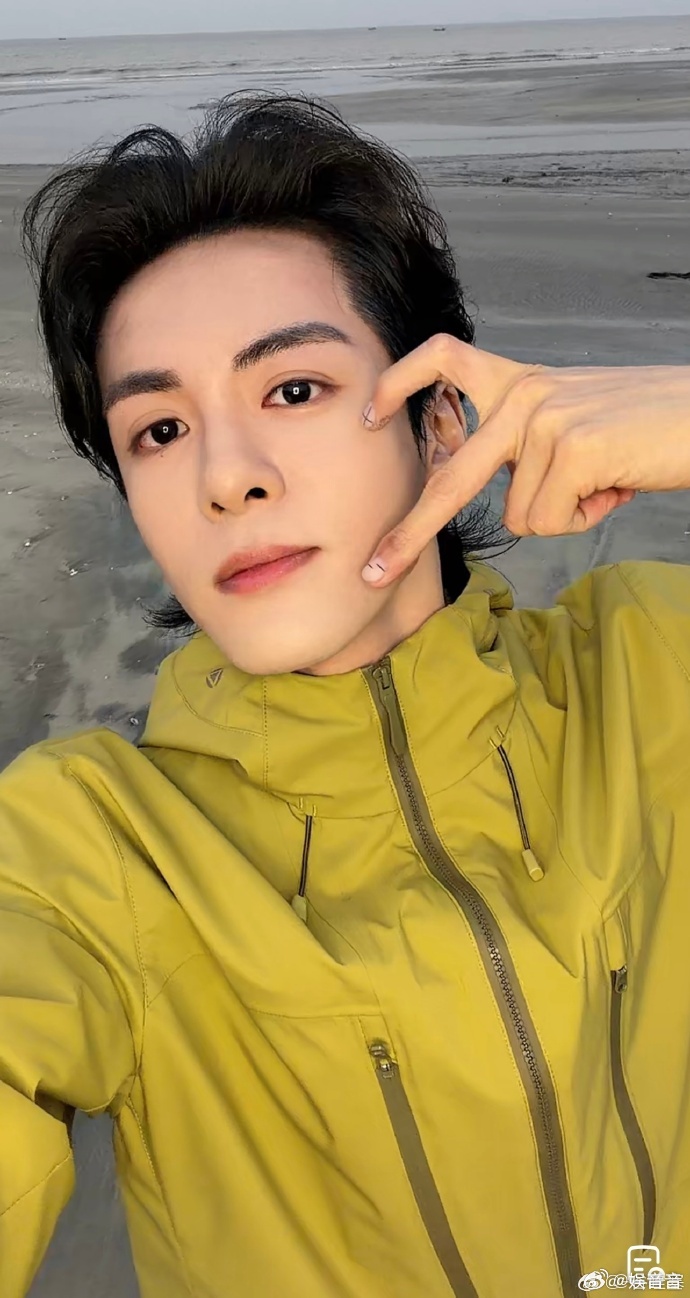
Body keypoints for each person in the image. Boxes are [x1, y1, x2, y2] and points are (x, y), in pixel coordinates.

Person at [2, 90, 690, 1298]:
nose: (226, 478)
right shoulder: (93, 850)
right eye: (159, 429)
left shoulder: (650, 665)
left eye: (292, 389)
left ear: (441, 421)